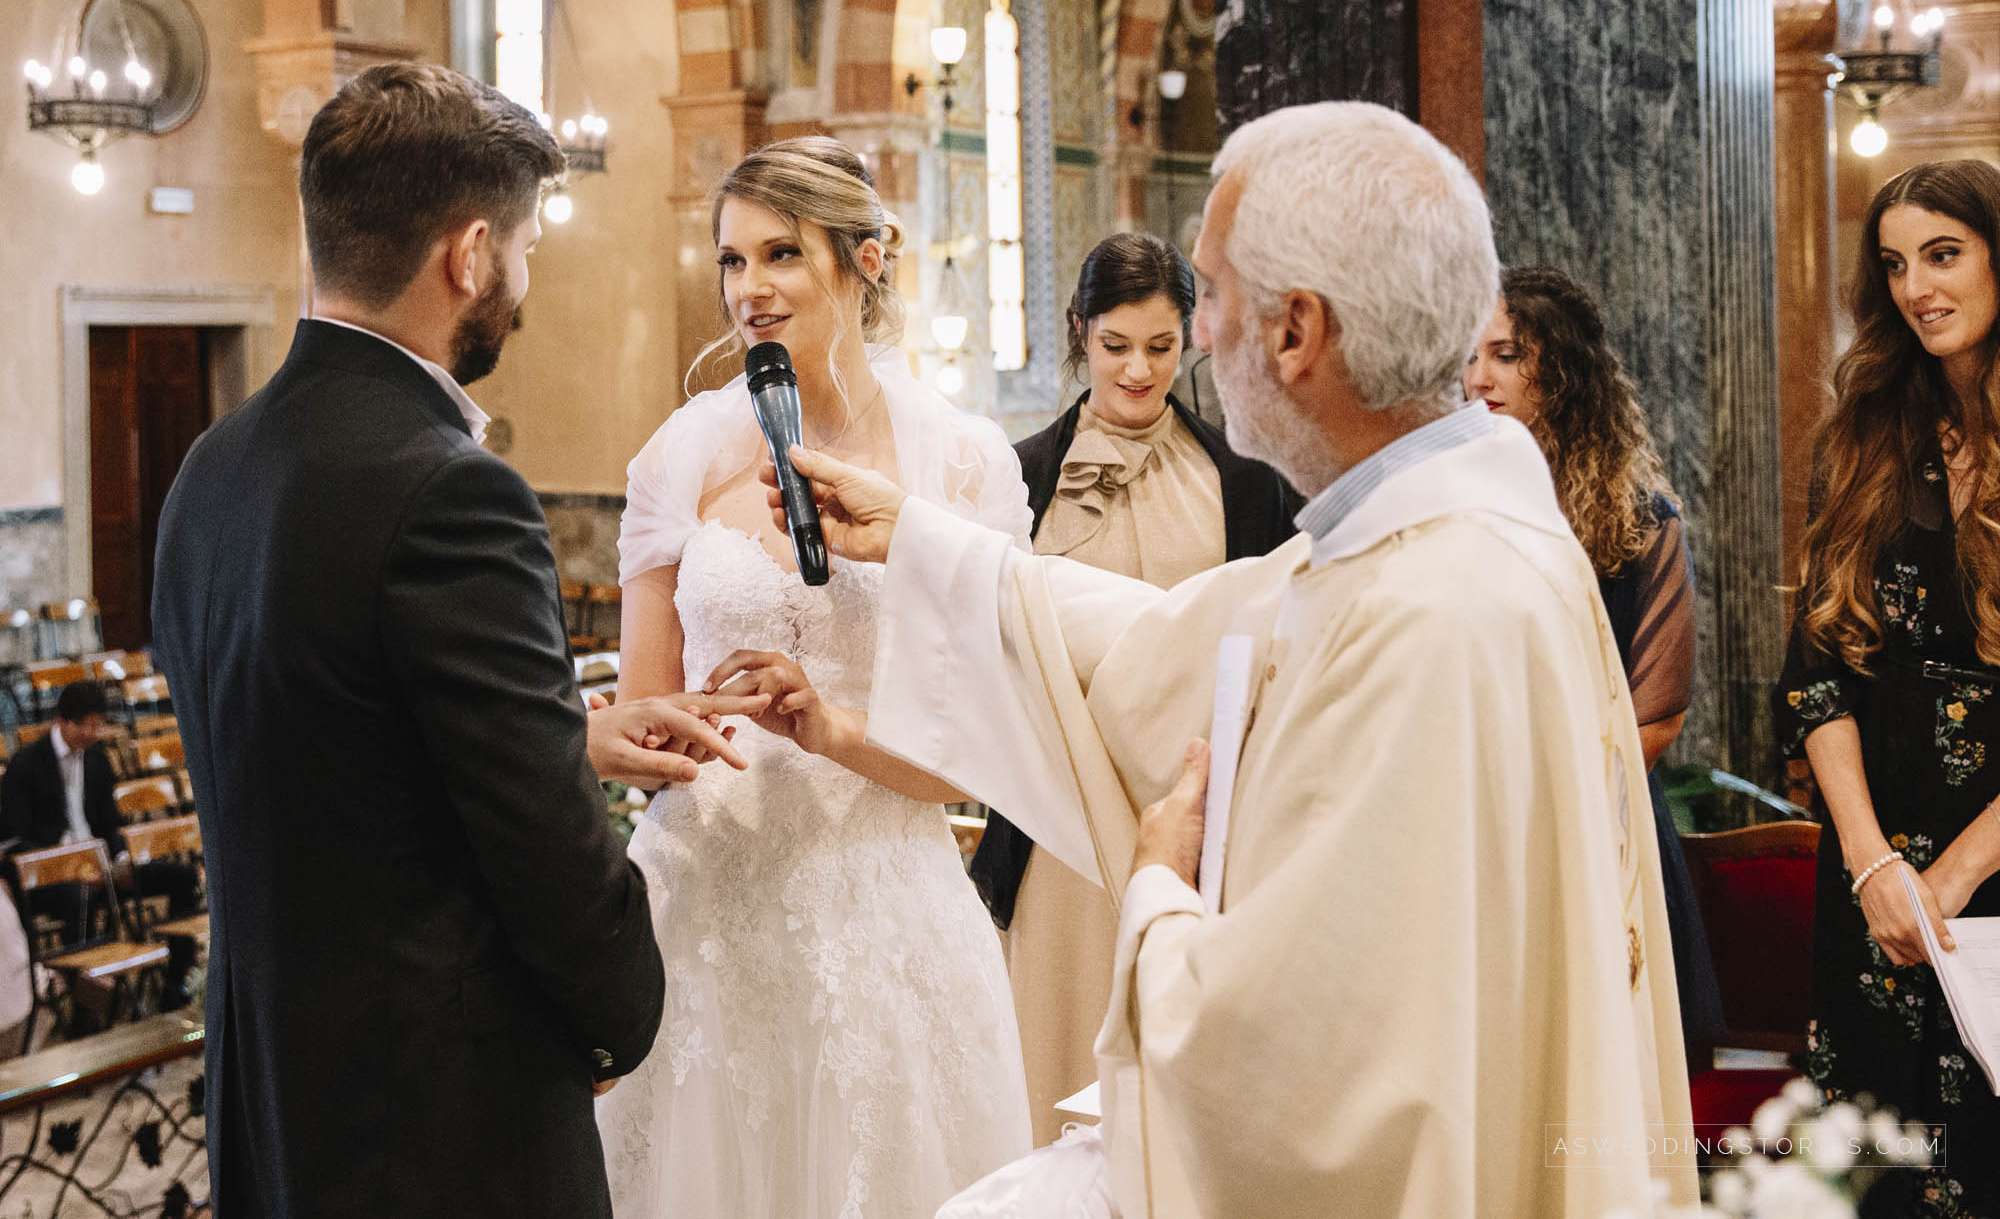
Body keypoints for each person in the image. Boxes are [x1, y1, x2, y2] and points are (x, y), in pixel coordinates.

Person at [770, 102, 1695, 1218]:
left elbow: (1293, 1071)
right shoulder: (1432, 533)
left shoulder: (1427, 611)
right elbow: (1171, 639)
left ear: (1296, 331)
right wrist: (920, 539)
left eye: (1208, 296)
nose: (1197, 337)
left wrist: (1158, 890)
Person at [150, 62, 754, 1219]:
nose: (522, 283)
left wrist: (566, 734)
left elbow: (327, 748)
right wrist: (621, 1013)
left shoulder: (212, 468)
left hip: (272, 1095)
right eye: (524, 249)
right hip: (435, 1123)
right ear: (469, 255)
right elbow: (547, 856)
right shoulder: (450, 492)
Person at [594, 136, 1032, 1218]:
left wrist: (829, 725)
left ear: (865, 260)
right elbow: (643, 723)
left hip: (886, 908)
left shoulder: (963, 465)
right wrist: (677, 727)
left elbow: (981, 758)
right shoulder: (680, 457)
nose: (748, 288)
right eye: (732, 260)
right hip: (704, 908)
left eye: (780, 253)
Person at [970, 231, 1297, 1146]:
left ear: (1192, 337)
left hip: (1193, 828)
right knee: (1053, 1063)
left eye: (1161, 345)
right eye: (1116, 345)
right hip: (1055, 830)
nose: (1140, 370)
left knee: (1181, 1093)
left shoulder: (1248, 485)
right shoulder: (1018, 477)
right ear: (1080, 331)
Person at [1776, 158, 2000, 1216]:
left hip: (1989, 867)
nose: (1916, 287)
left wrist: (1951, 877)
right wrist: (1872, 867)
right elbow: (1816, 674)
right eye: (1895, 264)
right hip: (1869, 876)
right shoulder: (1860, 433)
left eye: (1942, 254)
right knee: (1874, 1171)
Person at [1464, 265, 1725, 1047]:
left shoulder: (1640, 521)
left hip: (1602, 827)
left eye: (1507, 354)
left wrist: (1548, 800)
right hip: (1476, 826)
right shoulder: (1451, 505)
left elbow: (1657, 717)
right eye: (1470, 356)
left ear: (1565, 370)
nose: (1480, 377)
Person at [1, 680, 204, 1008]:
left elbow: (110, 824)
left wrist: (120, 857)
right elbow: (15, 837)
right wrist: (72, 864)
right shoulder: (26, 764)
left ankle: (175, 985)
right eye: (84, 725)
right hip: (54, 877)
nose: (91, 733)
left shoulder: (97, 760)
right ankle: (90, 1000)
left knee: (183, 876)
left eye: (97, 725)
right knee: (79, 895)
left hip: (102, 867)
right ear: (62, 721)